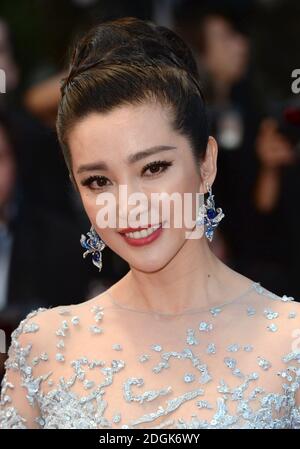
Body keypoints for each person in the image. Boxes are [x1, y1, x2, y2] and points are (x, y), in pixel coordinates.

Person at [0, 16, 299, 430]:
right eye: (98, 181)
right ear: (76, 188)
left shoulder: (290, 344)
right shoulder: (41, 348)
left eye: (154, 167)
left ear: (206, 164)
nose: (129, 205)